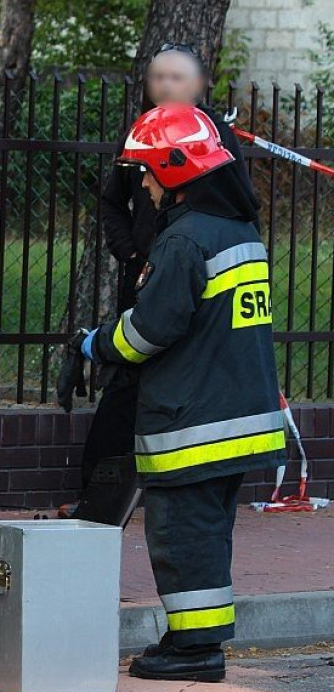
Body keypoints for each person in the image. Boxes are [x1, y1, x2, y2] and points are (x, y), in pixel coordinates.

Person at [82, 103, 285, 682]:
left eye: (147, 171)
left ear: (174, 170)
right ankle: (196, 636)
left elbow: (150, 330)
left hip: (193, 424)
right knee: (208, 535)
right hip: (240, 419)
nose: (142, 183)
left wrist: (96, 345)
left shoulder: (184, 242)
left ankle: (195, 651)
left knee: (179, 535)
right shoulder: (239, 232)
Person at [81, 44, 259, 486]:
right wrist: (135, 255)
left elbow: (239, 206)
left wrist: (92, 345)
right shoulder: (143, 134)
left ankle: (172, 480)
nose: (165, 85)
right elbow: (111, 202)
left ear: (200, 85)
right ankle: (102, 488)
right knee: (128, 382)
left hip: (192, 275)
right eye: (157, 76)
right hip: (149, 274)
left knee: (172, 367)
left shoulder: (215, 138)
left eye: (177, 77)